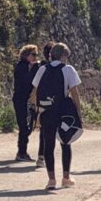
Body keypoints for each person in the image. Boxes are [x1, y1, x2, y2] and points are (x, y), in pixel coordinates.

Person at [31, 42, 82, 190]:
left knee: (48, 144)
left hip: (47, 111)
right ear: (64, 55)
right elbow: (74, 93)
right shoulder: (68, 70)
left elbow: (34, 93)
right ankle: (66, 177)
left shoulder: (42, 69)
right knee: (65, 142)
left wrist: (39, 111)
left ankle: (51, 179)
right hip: (63, 111)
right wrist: (78, 112)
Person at [13, 44, 39, 161]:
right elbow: (26, 82)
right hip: (20, 99)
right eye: (33, 54)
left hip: (25, 99)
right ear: (26, 55)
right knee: (24, 126)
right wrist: (33, 70)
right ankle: (21, 152)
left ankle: (22, 151)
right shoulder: (21, 67)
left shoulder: (27, 66)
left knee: (28, 125)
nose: (35, 57)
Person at [31, 41, 54, 168]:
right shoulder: (60, 67)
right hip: (55, 102)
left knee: (43, 130)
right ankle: (46, 157)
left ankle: (42, 156)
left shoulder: (39, 67)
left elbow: (32, 84)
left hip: (41, 101)